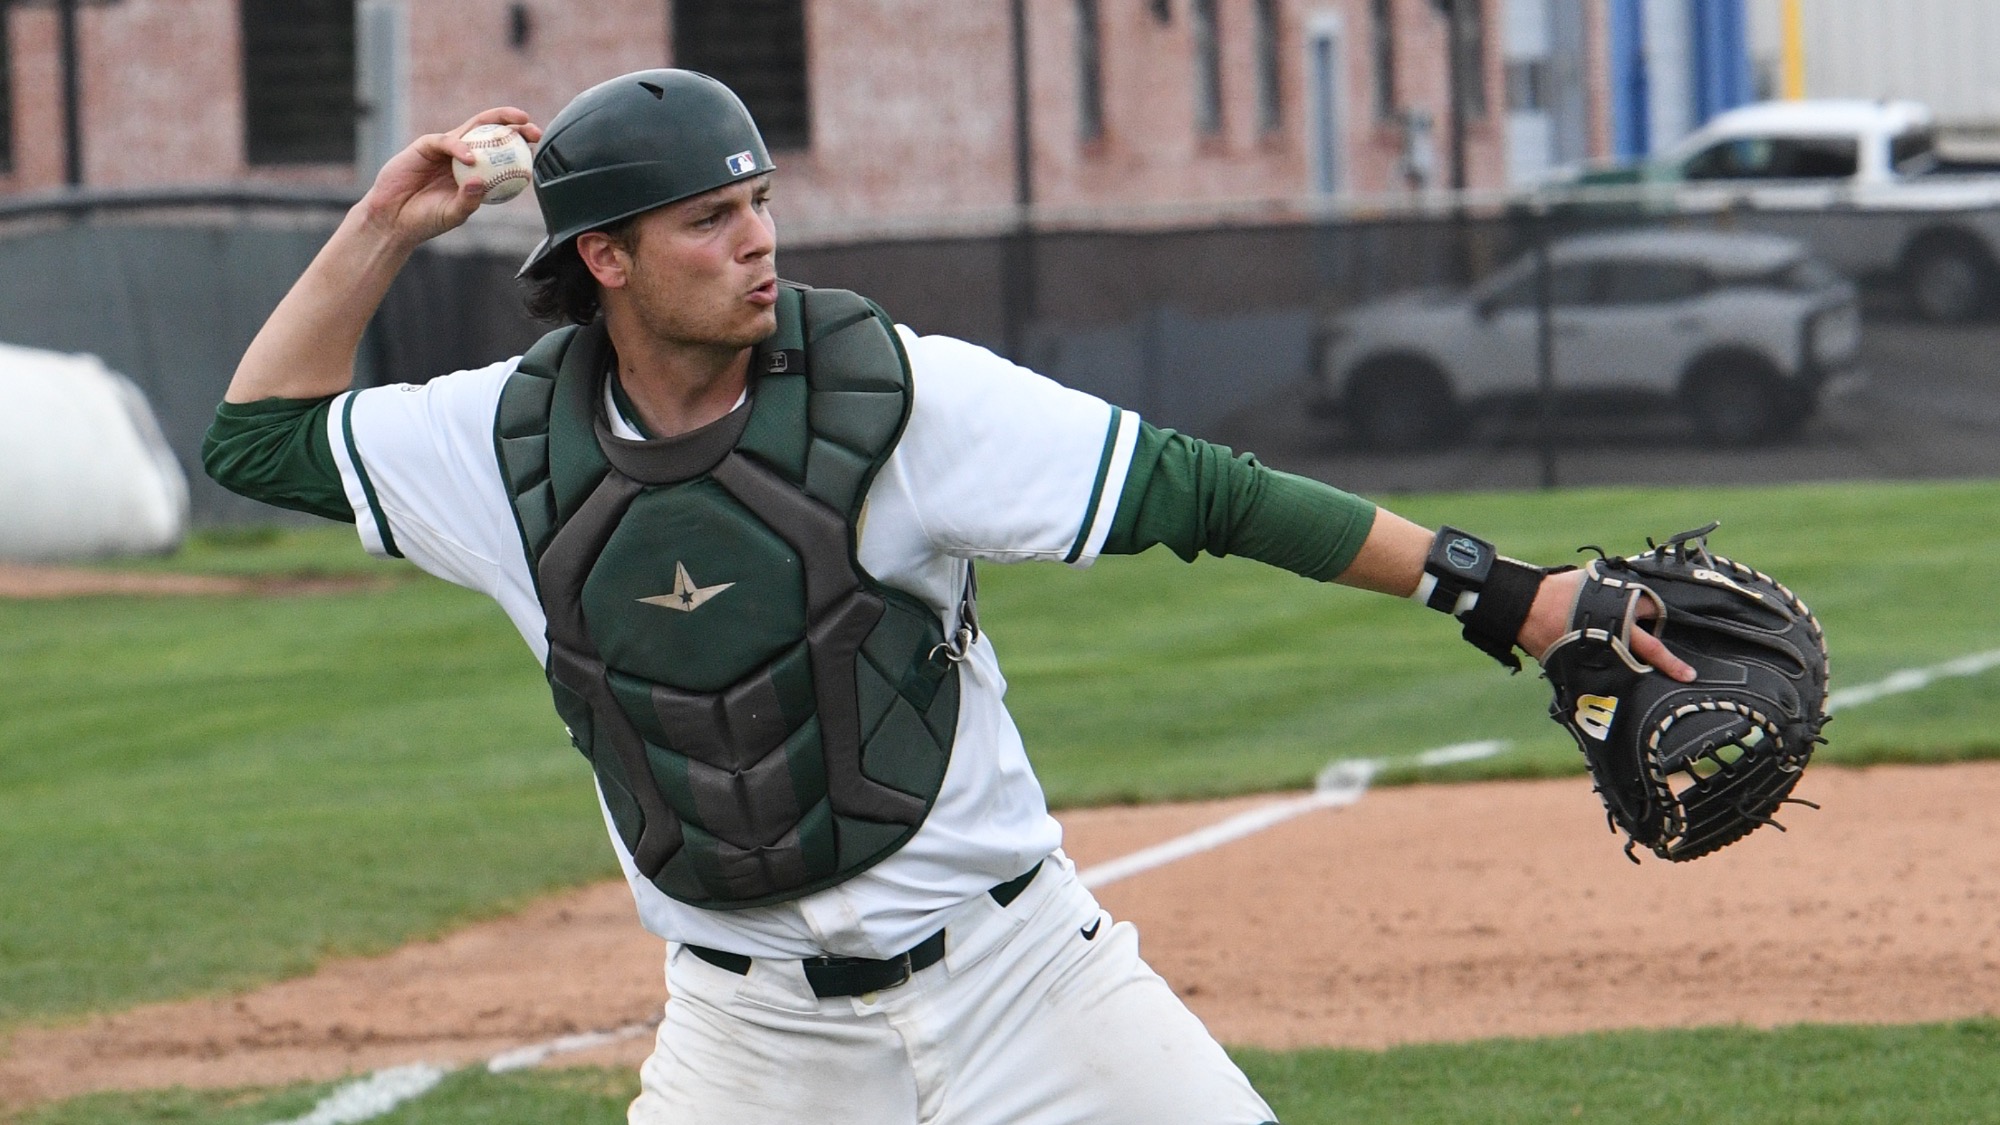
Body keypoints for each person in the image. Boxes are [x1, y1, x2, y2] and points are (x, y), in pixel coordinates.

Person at [205, 69, 1693, 1125]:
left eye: (760, 200)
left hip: (1021, 981)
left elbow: (1207, 491)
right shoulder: (498, 445)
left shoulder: (897, 396)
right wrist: (392, 221)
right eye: (708, 220)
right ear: (604, 257)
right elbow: (257, 440)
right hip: (751, 1032)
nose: (758, 238)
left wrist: (1499, 592)